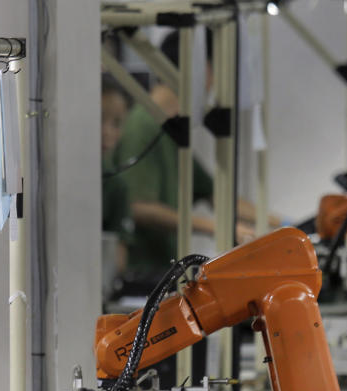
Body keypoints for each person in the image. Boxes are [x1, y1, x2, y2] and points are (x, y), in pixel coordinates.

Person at [112, 31, 273, 288]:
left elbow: (216, 195)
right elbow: (139, 206)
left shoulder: (170, 131)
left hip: (162, 272)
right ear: (203, 69)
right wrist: (217, 227)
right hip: (140, 277)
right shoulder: (142, 126)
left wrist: (277, 223)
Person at [101, 75, 135, 279]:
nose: (107, 132)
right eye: (98, 118)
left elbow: (117, 262)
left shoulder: (115, 186)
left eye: (116, 123)